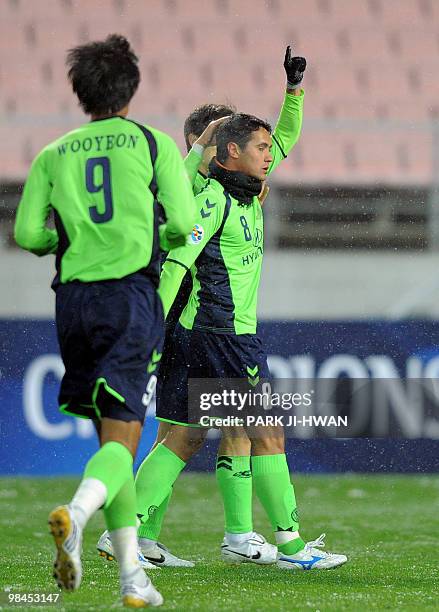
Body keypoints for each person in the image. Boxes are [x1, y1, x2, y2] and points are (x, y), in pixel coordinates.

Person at [97, 47, 307, 568]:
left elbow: (283, 141)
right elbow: (177, 253)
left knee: (186, 432)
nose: (265, 155)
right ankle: (276, 541)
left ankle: (149, 534)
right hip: (200, 325)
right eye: (247, 144)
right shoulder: (199, 187)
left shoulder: (237, 187)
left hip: (199, 326)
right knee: (231, 429)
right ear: (213, 146)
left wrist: (293, 93)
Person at [14, 34, 195, 608]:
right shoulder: (151, 143)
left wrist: (59, 241)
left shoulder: (54, 153)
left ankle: (133, 580)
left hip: (72, 302)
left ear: (80, 92)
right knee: (124, 436)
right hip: (129, 299)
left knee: (110, 437)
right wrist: (159, 233)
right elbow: (184, 225)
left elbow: (25, 235)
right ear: (131, 87)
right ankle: (78, 511)